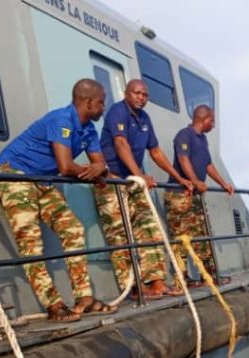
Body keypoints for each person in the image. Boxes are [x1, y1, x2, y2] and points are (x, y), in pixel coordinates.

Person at [0, 79, 111, 323]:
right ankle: (54, 305)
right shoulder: (61, 120)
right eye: (101, 103)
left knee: (73, 228)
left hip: (41, 180)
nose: (103, 107)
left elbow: (101, 164)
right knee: (31, 243)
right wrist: (95, 171)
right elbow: (66, 166)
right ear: (88, 103)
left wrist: (100, 169)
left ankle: (84, 298)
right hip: (14, 175)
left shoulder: (89, 129)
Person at [96, 80, 191, 299]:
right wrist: (138, 174)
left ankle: (157, 282)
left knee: (150, 228)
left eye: (145, 95)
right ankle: (134, 288)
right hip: (113, 181)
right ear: (127, 93)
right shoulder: (117, 112)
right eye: (137, 93)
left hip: (132, 181)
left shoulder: (145, 119)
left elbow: (156, 152)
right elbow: (121, 144)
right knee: (120, 236)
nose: (141, 97)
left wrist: (179, 178)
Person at [163, 105, 235, 286]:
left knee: (203, 235)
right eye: (213, 121)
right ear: (206, 119)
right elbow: (183, 159)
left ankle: (209, 275)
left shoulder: (203, 140)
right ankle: (183, 280)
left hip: (195, 196)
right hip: (179, 194)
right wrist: (195, 181)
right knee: (181, 237)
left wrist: (224, 183)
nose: (214, 125)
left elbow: (208, 165)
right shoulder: (184, 135)